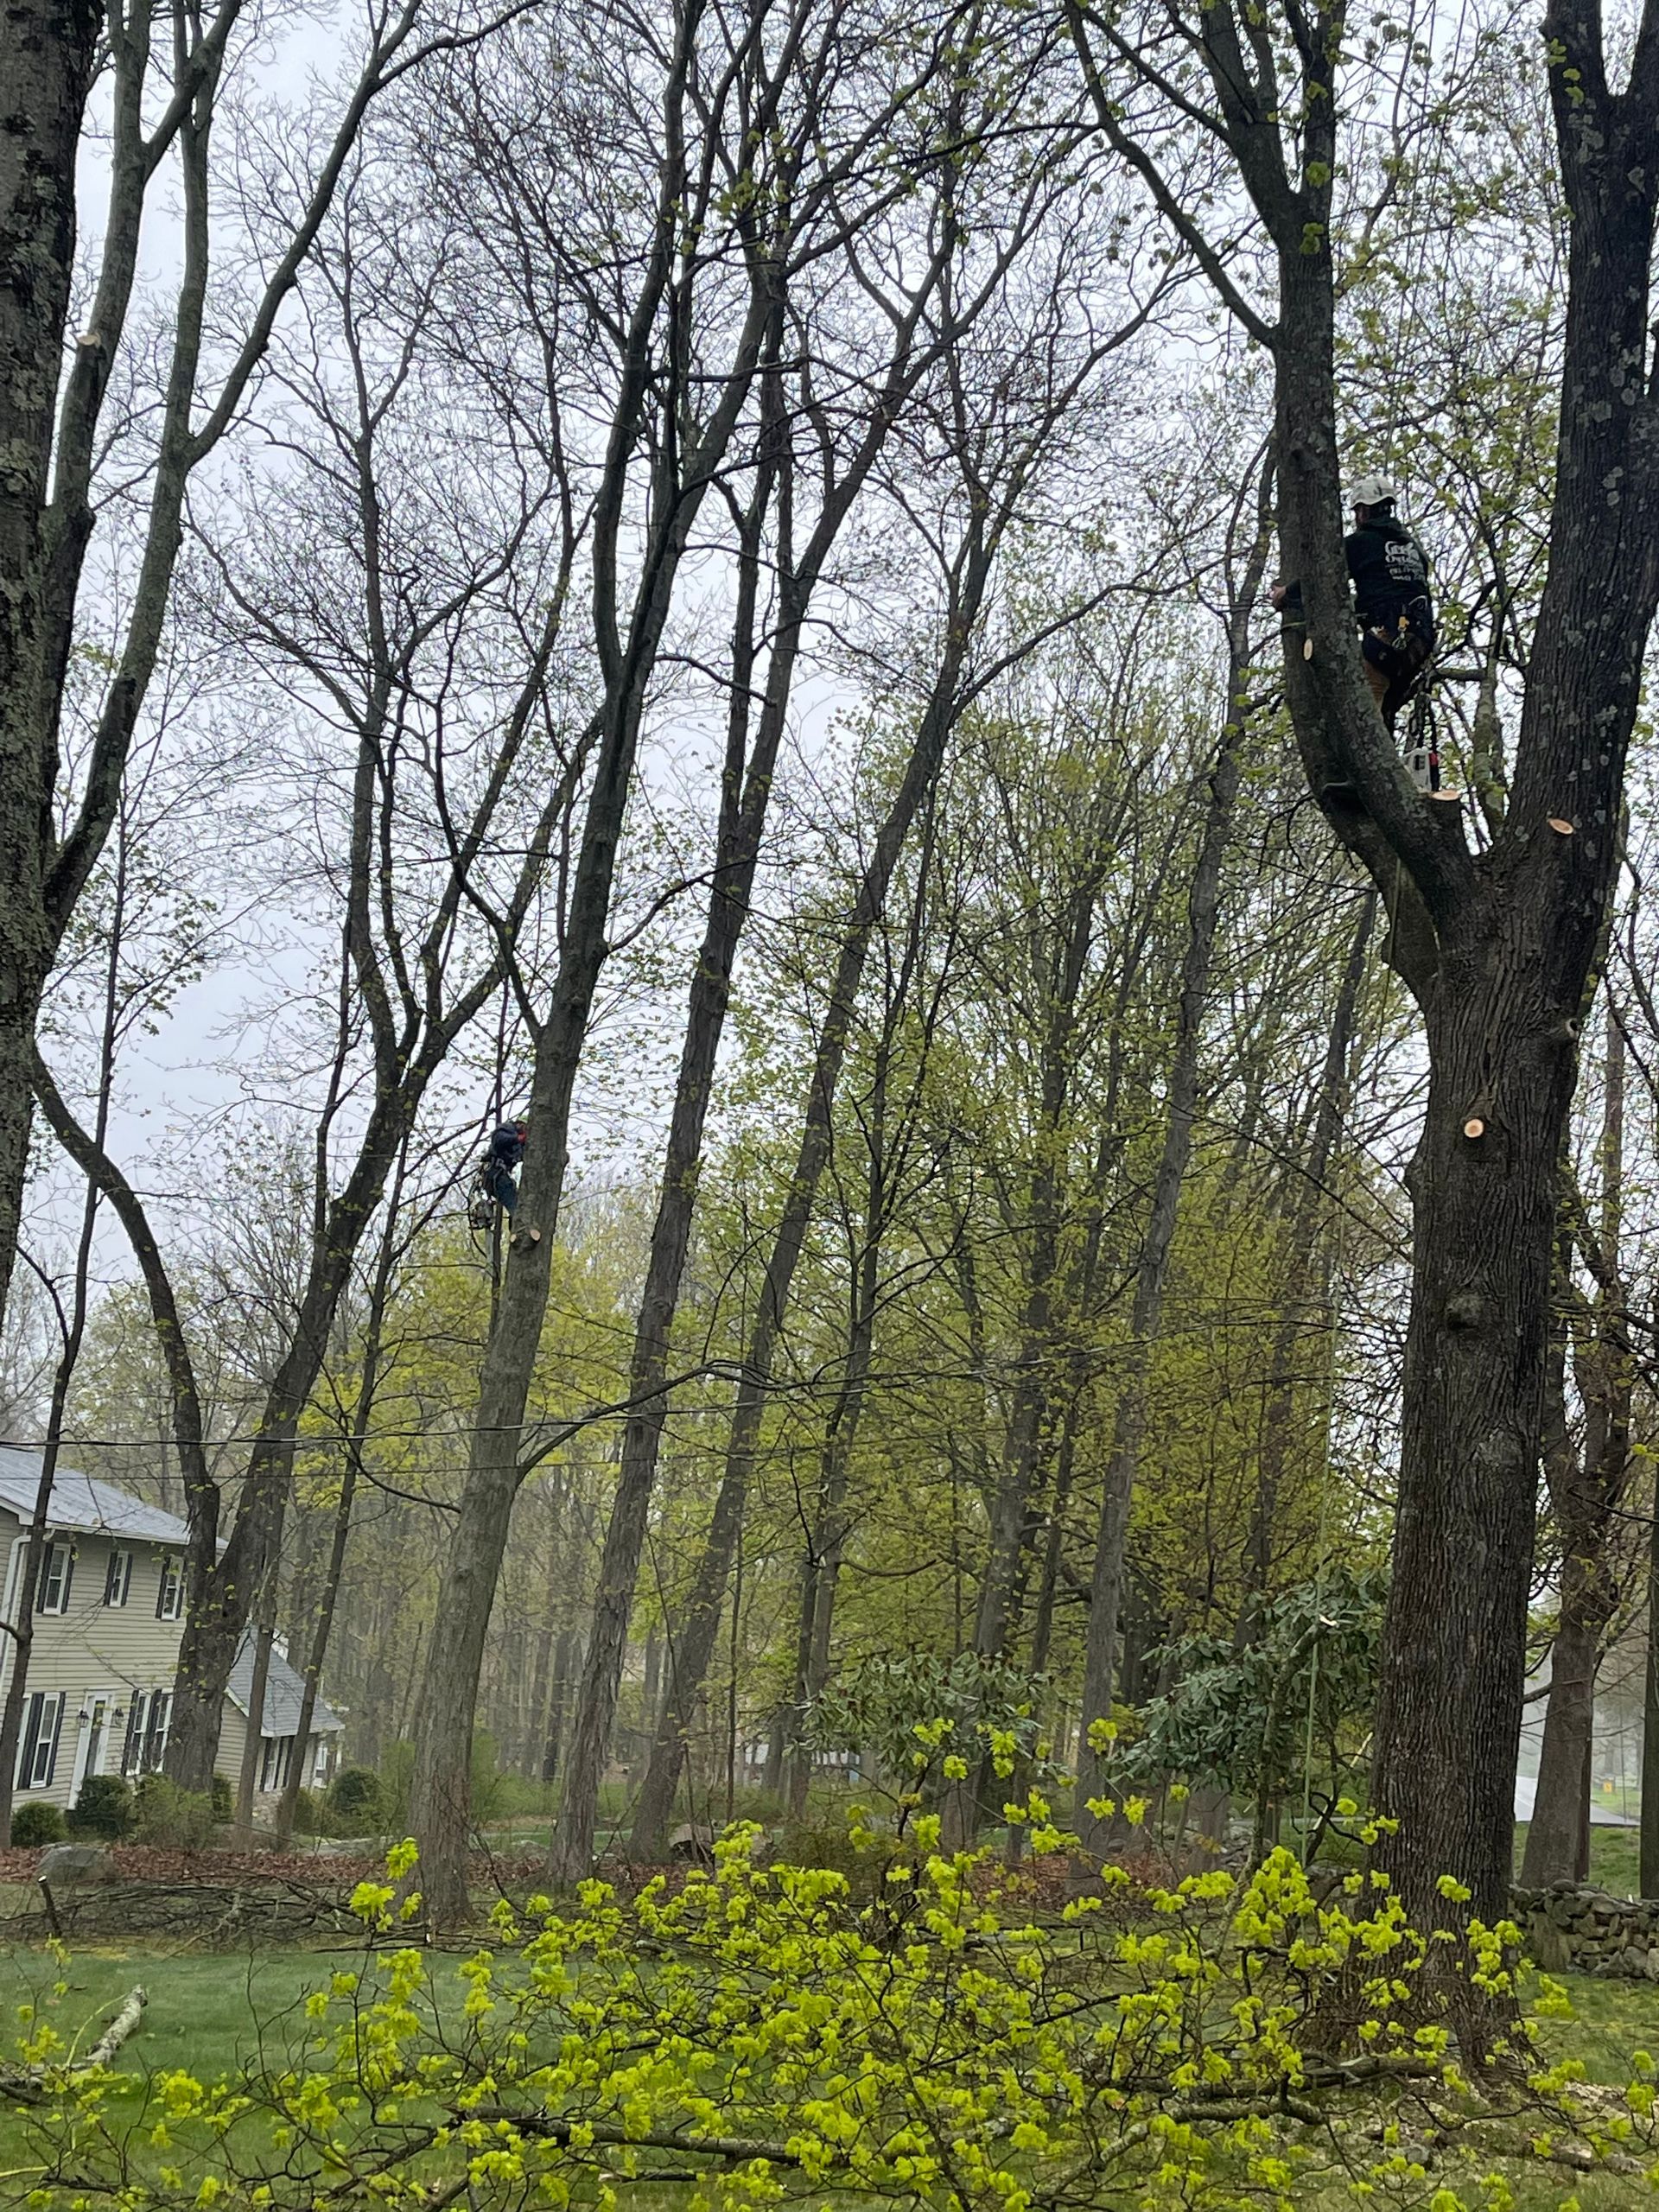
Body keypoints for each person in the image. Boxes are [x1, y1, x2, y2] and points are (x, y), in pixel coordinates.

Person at [1270, 474, 1437, 729]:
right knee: (1382, 709)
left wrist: (1286, 594)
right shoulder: (1415, 550)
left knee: (1360, 712)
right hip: (1420, 640)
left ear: (1363, 511)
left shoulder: (1360, 543)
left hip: (1388, 635)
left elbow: (1321, 578)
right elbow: (1386, 593)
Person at [484, 1119, 527, 1217]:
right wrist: (517, 1138)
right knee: (516, 1207)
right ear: (519, 1124)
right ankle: (519, 1221)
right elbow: (498, 1140)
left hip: (501, 1175)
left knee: (518, 1202)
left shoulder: (521, 1146)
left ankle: (517, 1222)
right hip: (495, 1174)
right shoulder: (508, 1129)